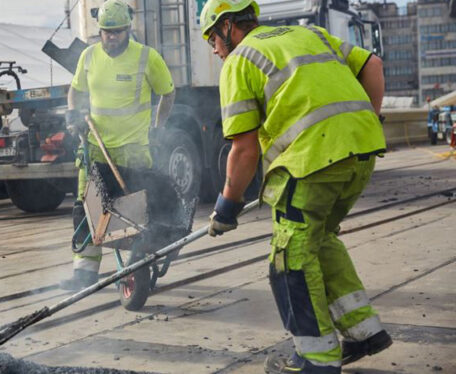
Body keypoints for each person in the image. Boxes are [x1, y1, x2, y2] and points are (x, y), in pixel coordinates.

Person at [199, 1, 391, 373]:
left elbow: (243, 148)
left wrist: (227, 206)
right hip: (362, 153)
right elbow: (373, 65)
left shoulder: (241, 61)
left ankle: (316, 361)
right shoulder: (310, 33)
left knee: (291, 259)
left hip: (313, 163)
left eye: (212, 38)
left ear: (227, 27)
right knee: (319, 240)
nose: (214, 49)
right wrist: (367, 120)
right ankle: (364, 332)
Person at [60, 0, 176, 291]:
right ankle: (84, 273)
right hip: (95, 148)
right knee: (86, 209)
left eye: (118, 32)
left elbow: (168, 94)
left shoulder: (147, 58)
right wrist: (74, 113)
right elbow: (75, 92)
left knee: (134, 213)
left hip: (134, 149)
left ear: (128, 30)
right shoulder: (88, 57)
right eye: (107, 32)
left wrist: (158, 127)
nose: (112, 37)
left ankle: (137, 265)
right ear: (100, 31)